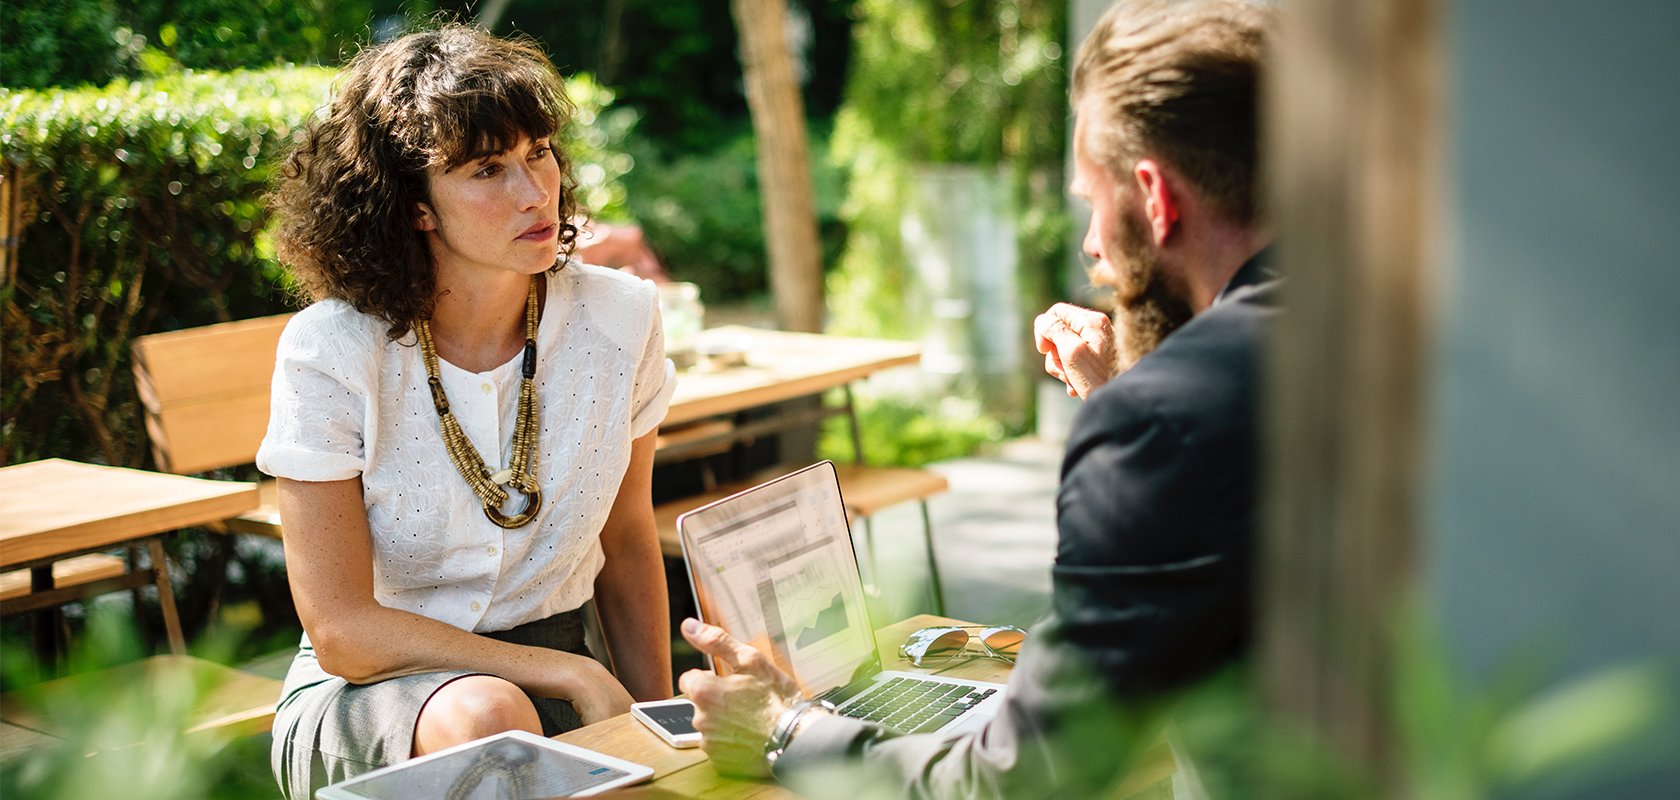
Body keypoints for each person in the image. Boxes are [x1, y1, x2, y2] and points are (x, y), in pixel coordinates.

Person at [677, 1, 1277, 796]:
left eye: (1092, 204)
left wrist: (788, 729)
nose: (1094, 246)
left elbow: (1022, 778)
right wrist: (1126, 395)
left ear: (1155, 198)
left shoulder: (1161, 423)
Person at [258, 25, 674, 798]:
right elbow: (344, 632)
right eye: (487, 169)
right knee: (490, 713)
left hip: (563, 674)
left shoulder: (622, 318)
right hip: (377, 694)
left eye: (539, 152)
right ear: (414, 206)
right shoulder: (333, 350)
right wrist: (565, 671)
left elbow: (627, 537)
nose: (533, 191)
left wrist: (658, 721)